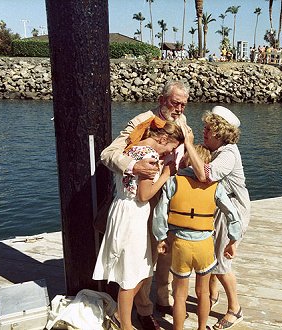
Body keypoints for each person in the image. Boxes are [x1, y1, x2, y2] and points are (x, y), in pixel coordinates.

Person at [100, 80, 189, 330]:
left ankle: (162, 300)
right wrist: (132, 166)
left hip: (171, 202)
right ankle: (144, 311)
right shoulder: (142, 122)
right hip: (144, 201)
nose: (179, 108)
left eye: (183, 104)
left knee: (165, 256)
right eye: (175, 103)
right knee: (143, 260)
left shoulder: (184, 124)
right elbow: (108, 153)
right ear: (162, 100)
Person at [152, 145, 242, 330]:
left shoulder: (173, 182)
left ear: (187, 160)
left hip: (180, 246)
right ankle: (202, 328)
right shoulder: (216, 187)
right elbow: (232, 214)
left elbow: (159, 213)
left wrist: (161, 238)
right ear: (206, 163)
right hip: (204, 246)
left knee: (179, 295)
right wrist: (232, 241)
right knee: (203, 293)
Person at [181, 106, 251, 330]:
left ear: (220, 132)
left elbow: (205, 175)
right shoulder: (220, 150)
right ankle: (212, 294)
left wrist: (189, 145)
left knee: (221, 263)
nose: (205, 132)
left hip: (232, 212)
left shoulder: (228, 154)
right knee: (213, 255)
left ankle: (235, 309)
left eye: (208, 128)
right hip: (221, 207)